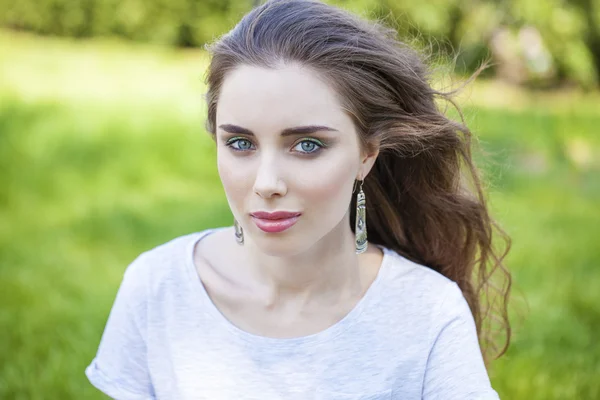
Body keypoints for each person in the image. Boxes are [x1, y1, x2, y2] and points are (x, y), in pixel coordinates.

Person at [85, 0, 512, 398]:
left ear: (367, 154)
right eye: (239, 143)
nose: (266, 182)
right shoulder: (157, 287)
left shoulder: (428, 314)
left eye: (307, 145)